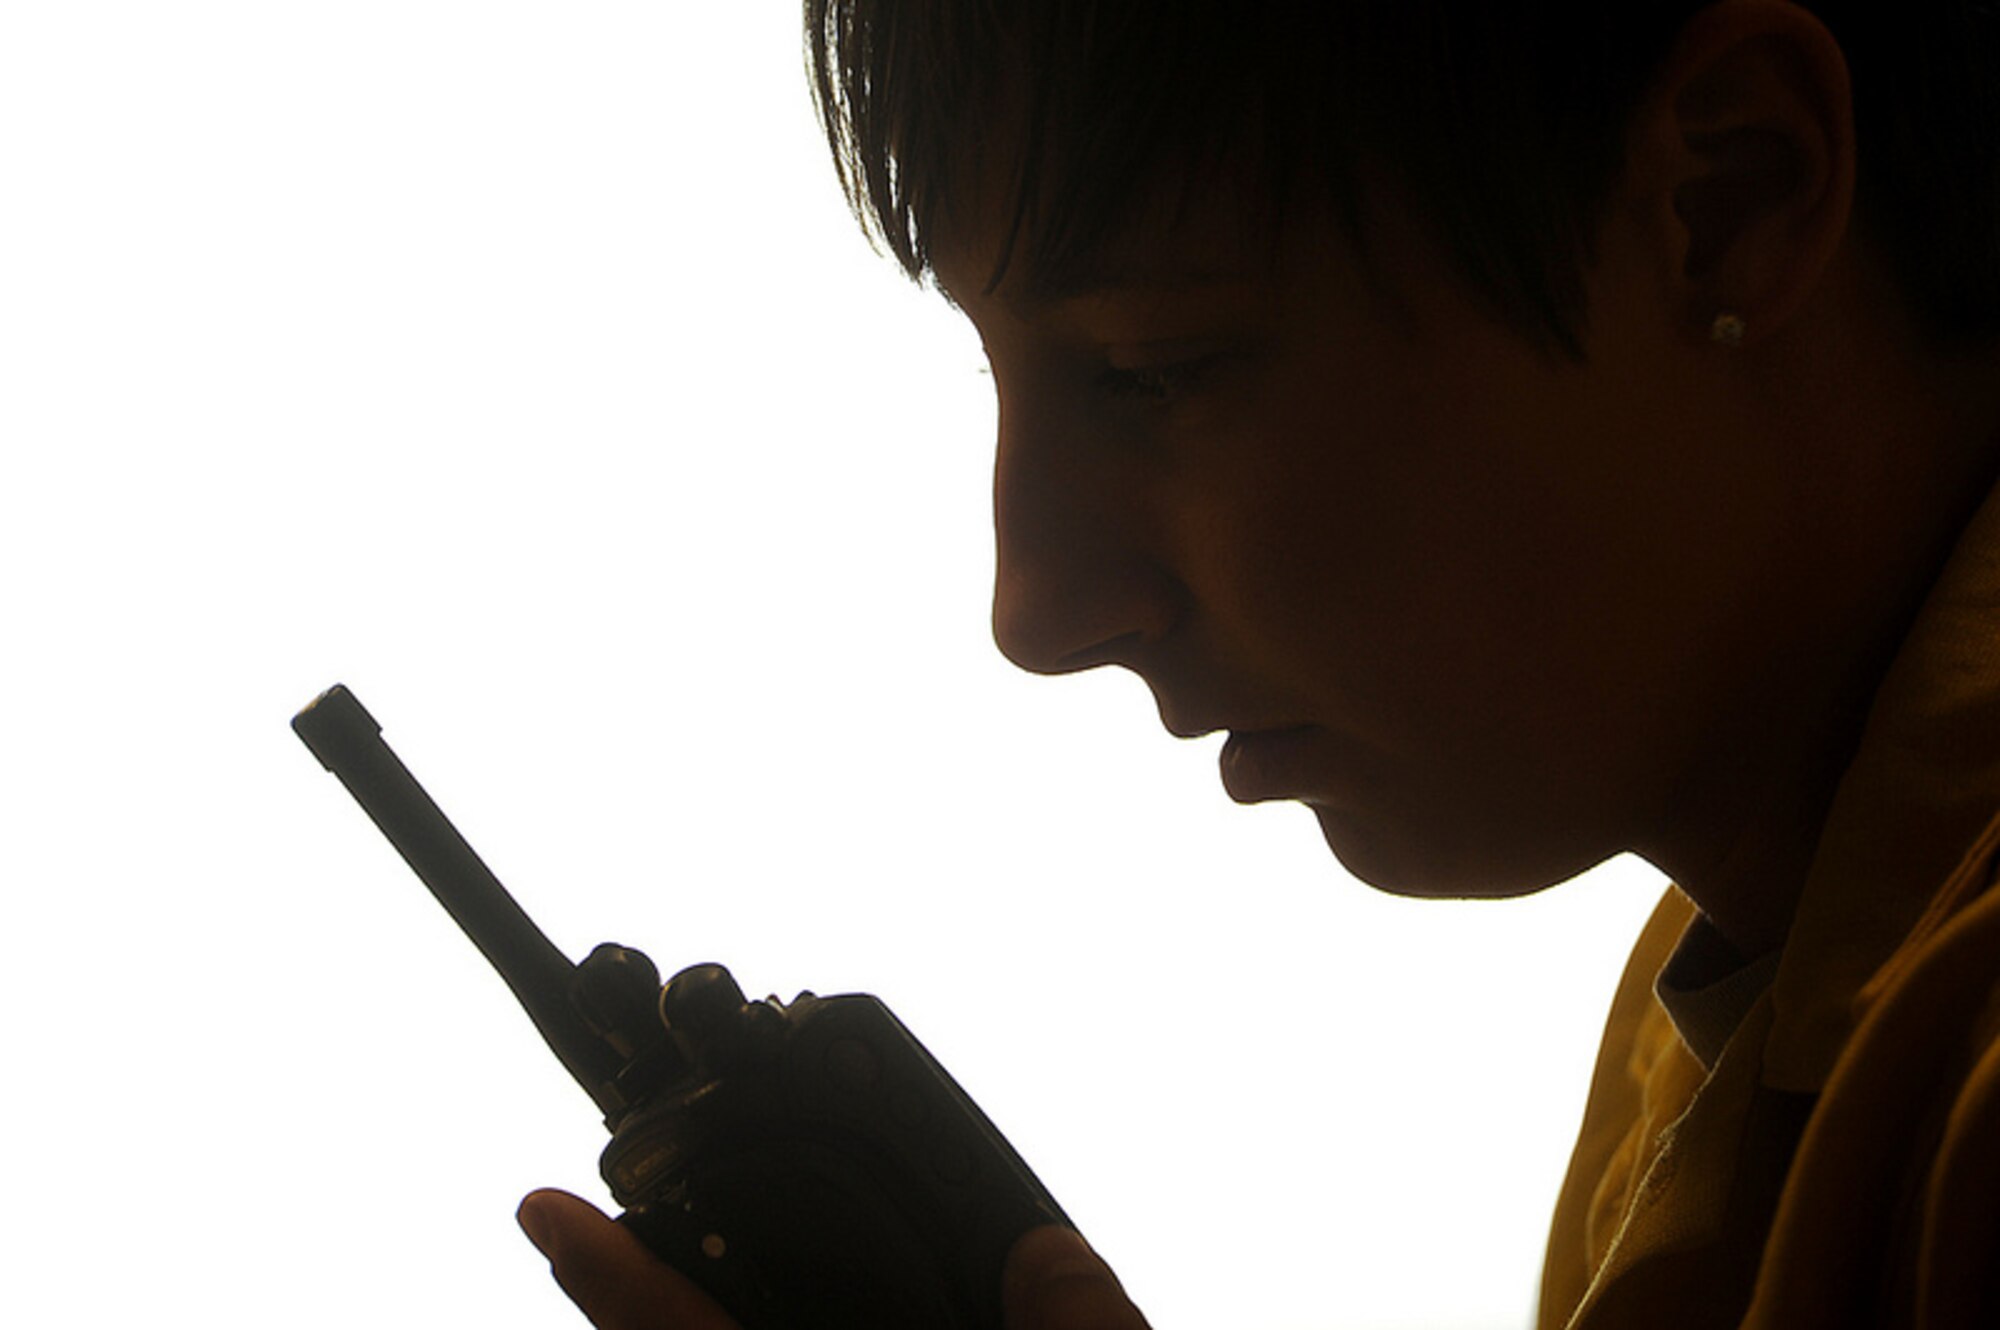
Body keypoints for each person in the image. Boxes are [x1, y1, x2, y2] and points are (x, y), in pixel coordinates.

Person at [515, 0, 2000, 1325]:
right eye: (1001, 365)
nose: (1034, 609)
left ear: (1726, 200)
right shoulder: (1723, 1027)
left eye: (1159, 367)